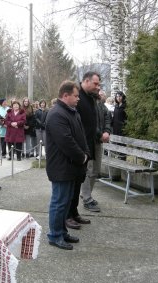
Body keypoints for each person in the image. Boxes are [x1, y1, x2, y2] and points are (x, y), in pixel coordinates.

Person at [46, 80, 89, 250]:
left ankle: (62, 232)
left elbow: (81, 136)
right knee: (59, 202)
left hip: (71, 167)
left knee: (66, 202)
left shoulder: (72, 112)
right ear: (65, 95)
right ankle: (54, 235)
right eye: (76, 96)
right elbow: (66, 142)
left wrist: (86, 153)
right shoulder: (56, 114)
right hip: (61, 167)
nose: (78, 99)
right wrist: (82, 157)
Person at [78, 72, 111, 214]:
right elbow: (88, 123)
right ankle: (87, 198)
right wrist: (100, 134)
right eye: (96, 84)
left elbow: (107, 118)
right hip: (87, 140)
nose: (98, 88)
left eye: (99, 85)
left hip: (97, 140)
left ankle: (87, 194)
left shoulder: (96, 101)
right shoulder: (79, 98)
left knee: (95, 170)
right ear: (86, 81)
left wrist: (107, 131)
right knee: (89, 170)